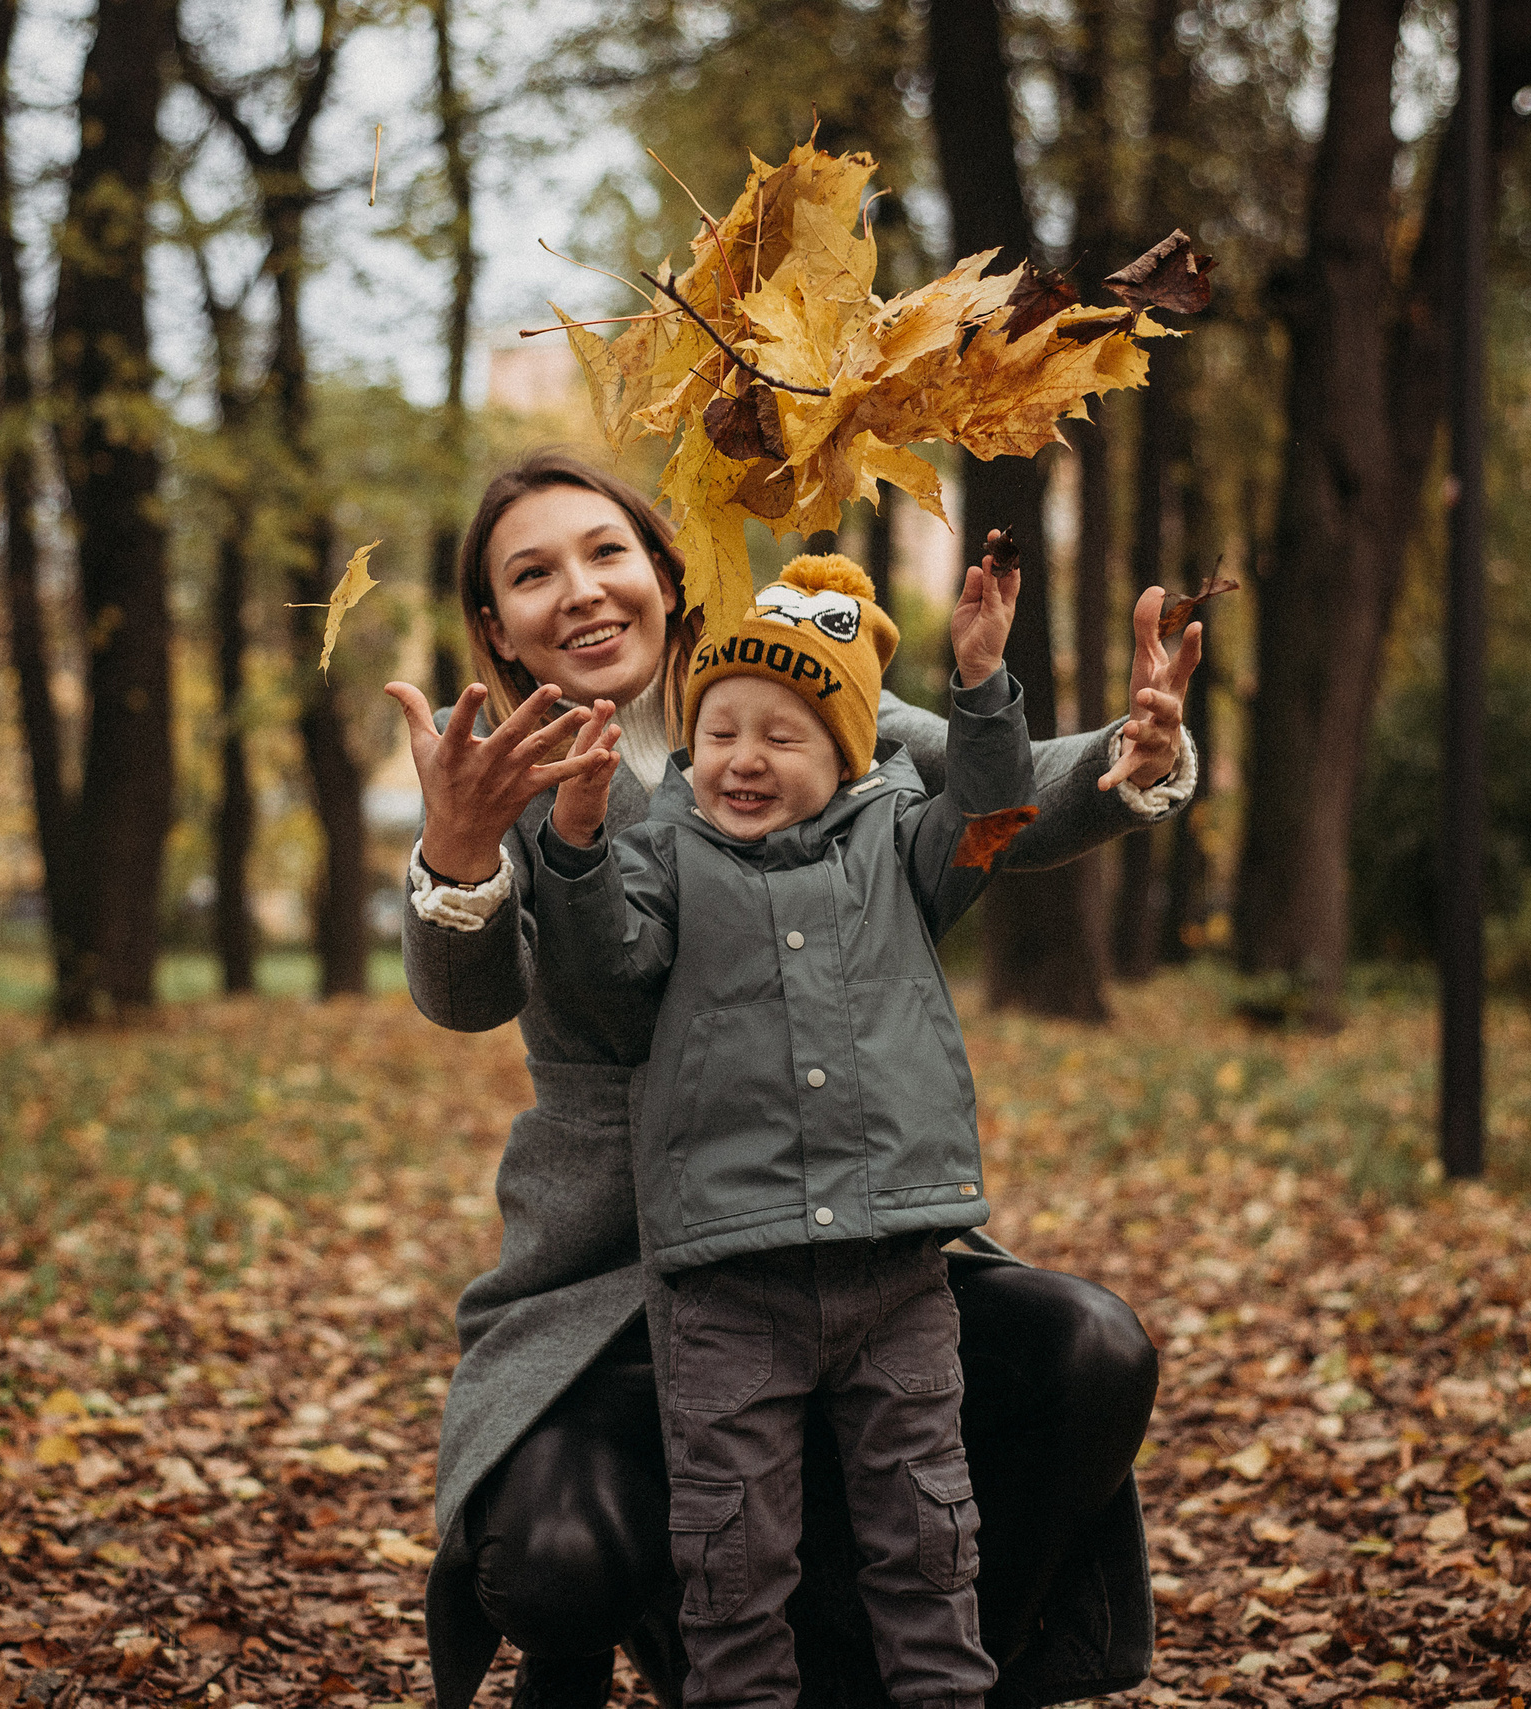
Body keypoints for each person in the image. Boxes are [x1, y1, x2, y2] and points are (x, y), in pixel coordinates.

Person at [385, 450, 1203, 1709]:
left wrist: (1129, 752)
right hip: (616, 1282)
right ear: (496, 626)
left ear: (664, 572)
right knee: (550, 1558)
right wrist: (456, 849)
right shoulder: (495, 774)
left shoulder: (783, 675)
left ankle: (934, 1668)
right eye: (532, 574)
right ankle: (632, 1641)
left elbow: (984, 790)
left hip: (840, 1225)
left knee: (1086, 1346)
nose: (581, 590)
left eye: (605, 552)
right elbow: (465, 994)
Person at [525, 548, 1031, 1709]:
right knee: (731, 1552)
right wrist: (578, 841)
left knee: (927, 1535)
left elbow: (993, 812)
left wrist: (981, 683)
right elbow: (604, 967)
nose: (742, 757)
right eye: (718, 730)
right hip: (727, 1282)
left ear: (845, 752)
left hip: (893, 1271)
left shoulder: (900, 845)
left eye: (780, 735)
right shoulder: (664, 852)